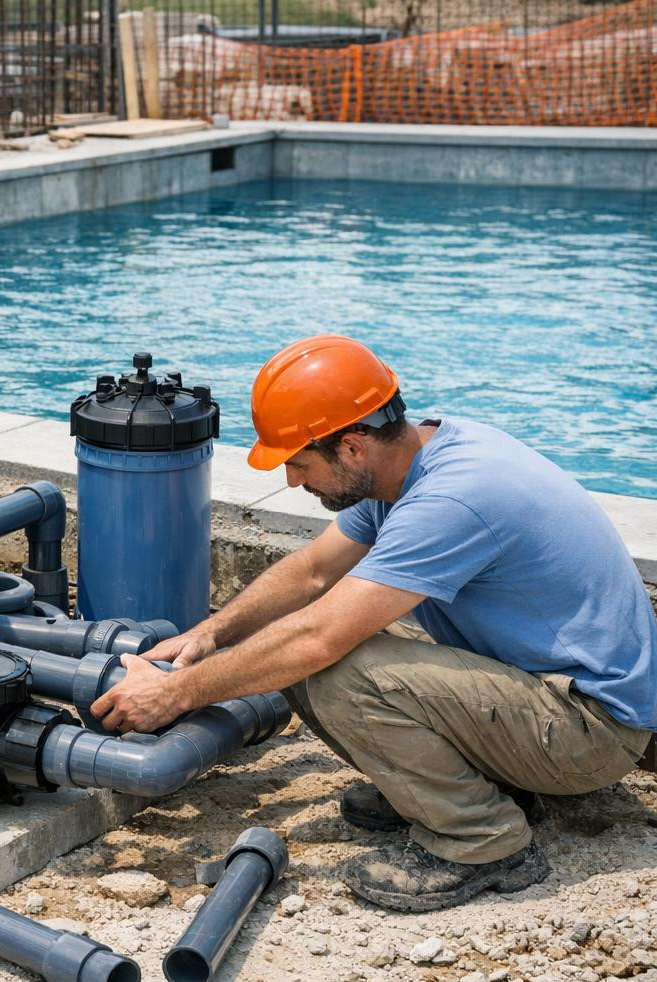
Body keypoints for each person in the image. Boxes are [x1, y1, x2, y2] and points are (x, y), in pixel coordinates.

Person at [91, 334, 657, 912]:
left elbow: (318, 637)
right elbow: (313, 573)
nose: (290, 480)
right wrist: (208, 634)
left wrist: (175, 693)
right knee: (288, 645)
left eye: (298, 462)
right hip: (545, 690)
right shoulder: (410, 459)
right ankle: (472, 788)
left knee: (339, 667)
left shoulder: (452, 500)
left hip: (590, 730)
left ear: (352, 447)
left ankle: (481, 840)